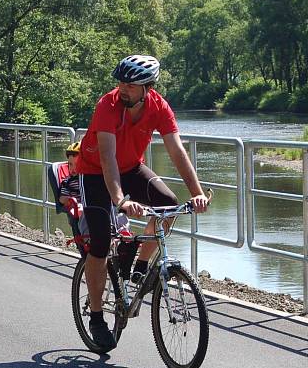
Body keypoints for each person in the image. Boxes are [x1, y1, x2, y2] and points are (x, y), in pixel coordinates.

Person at [76, 55, 209, 351]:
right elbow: (107, 159)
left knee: (168, 204)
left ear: (147, 87)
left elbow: (177, 152)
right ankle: (97, 317)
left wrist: (197, 192)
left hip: (131, 167)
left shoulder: (159, 107)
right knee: (98, 241)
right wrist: (120, 200)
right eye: (120, 82)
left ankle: (139, 263)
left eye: (130, 84)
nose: (122, 88)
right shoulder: (107, 106)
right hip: (95, 172)